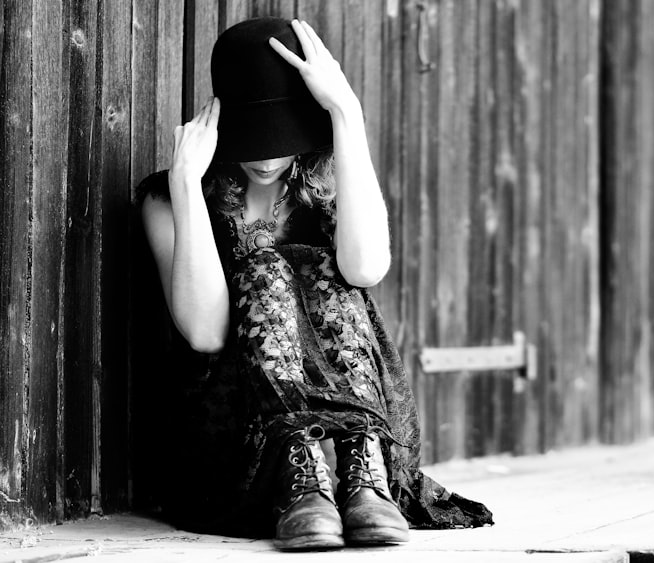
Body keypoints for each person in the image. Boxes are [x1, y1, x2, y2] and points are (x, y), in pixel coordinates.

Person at [138, 17, 491, 550]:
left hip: (355, 449)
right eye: (251, 133)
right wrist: (185, 181)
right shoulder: (168, 199)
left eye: (278, 133)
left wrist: (346, 113)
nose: (263, 155)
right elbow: (205, 333)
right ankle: (300, 473)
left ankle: (361, 465)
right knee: (263, 267)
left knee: (323, 265)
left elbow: (367, 269)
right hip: (236, 439)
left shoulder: (327, 186)